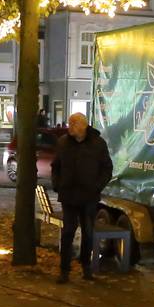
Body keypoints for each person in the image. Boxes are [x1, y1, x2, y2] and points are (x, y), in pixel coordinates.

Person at [51, 112, 113, 283]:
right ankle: (64, 270)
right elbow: (56, 166)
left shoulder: (98, 144)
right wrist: (57, 184)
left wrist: (97, 186)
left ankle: (86, 267)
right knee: (68, 232)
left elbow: (107, 168)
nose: (69, 127)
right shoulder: (63, 143)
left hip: (88, 196)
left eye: (73, 123)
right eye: (69, 123)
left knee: (88, 233)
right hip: (69, 195)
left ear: (83, 125)